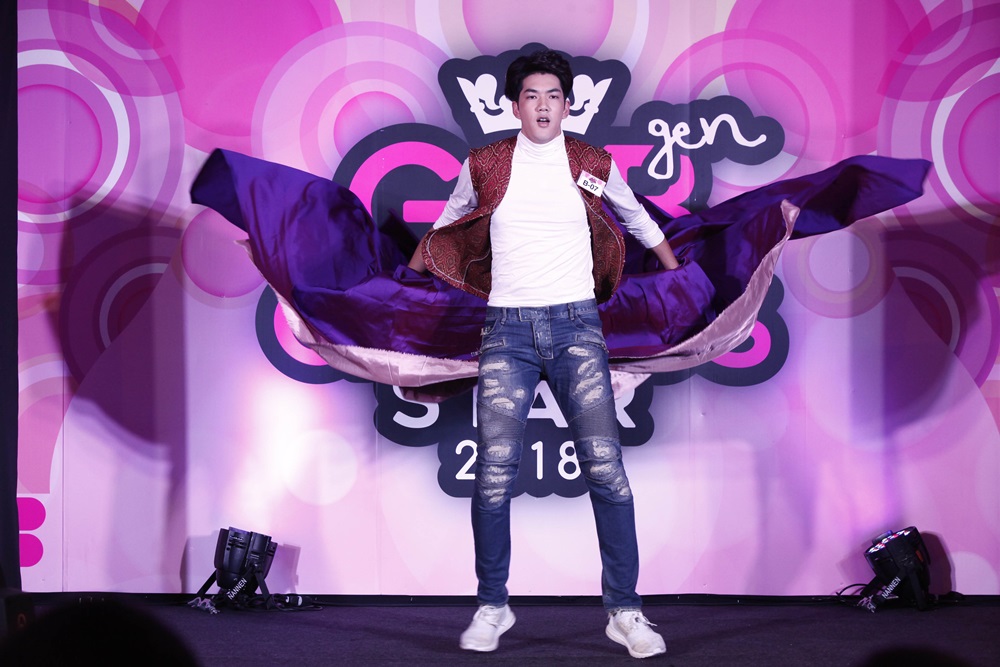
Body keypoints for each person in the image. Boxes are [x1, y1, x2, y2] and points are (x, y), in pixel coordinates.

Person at [408, 49, 677, 659]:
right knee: (494, 475)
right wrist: (400, 285)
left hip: (577, 328)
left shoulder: (591, 162)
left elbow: (636, 218)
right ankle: (492, 605)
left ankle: (625, 611)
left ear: (568, 105)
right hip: (506, 332)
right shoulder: (484, 163)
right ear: (514, 106)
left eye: (553, 96)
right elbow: (446, 224)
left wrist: (677, 274)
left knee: (606, 471)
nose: (543, 106)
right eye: (531, 96)